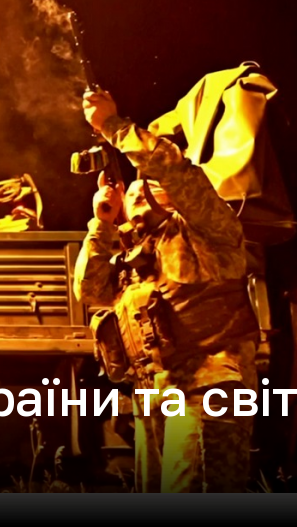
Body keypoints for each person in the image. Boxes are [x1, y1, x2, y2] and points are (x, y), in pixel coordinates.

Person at [73, 89, 260, 493]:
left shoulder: (209, 231)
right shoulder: (137, 257)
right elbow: (88, 289)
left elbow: (173, 169)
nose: (136, 196)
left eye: (146, 187)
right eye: (133, 193)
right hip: (155, 399)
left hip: (207, 392)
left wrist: (112, 127)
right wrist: (102, 222)